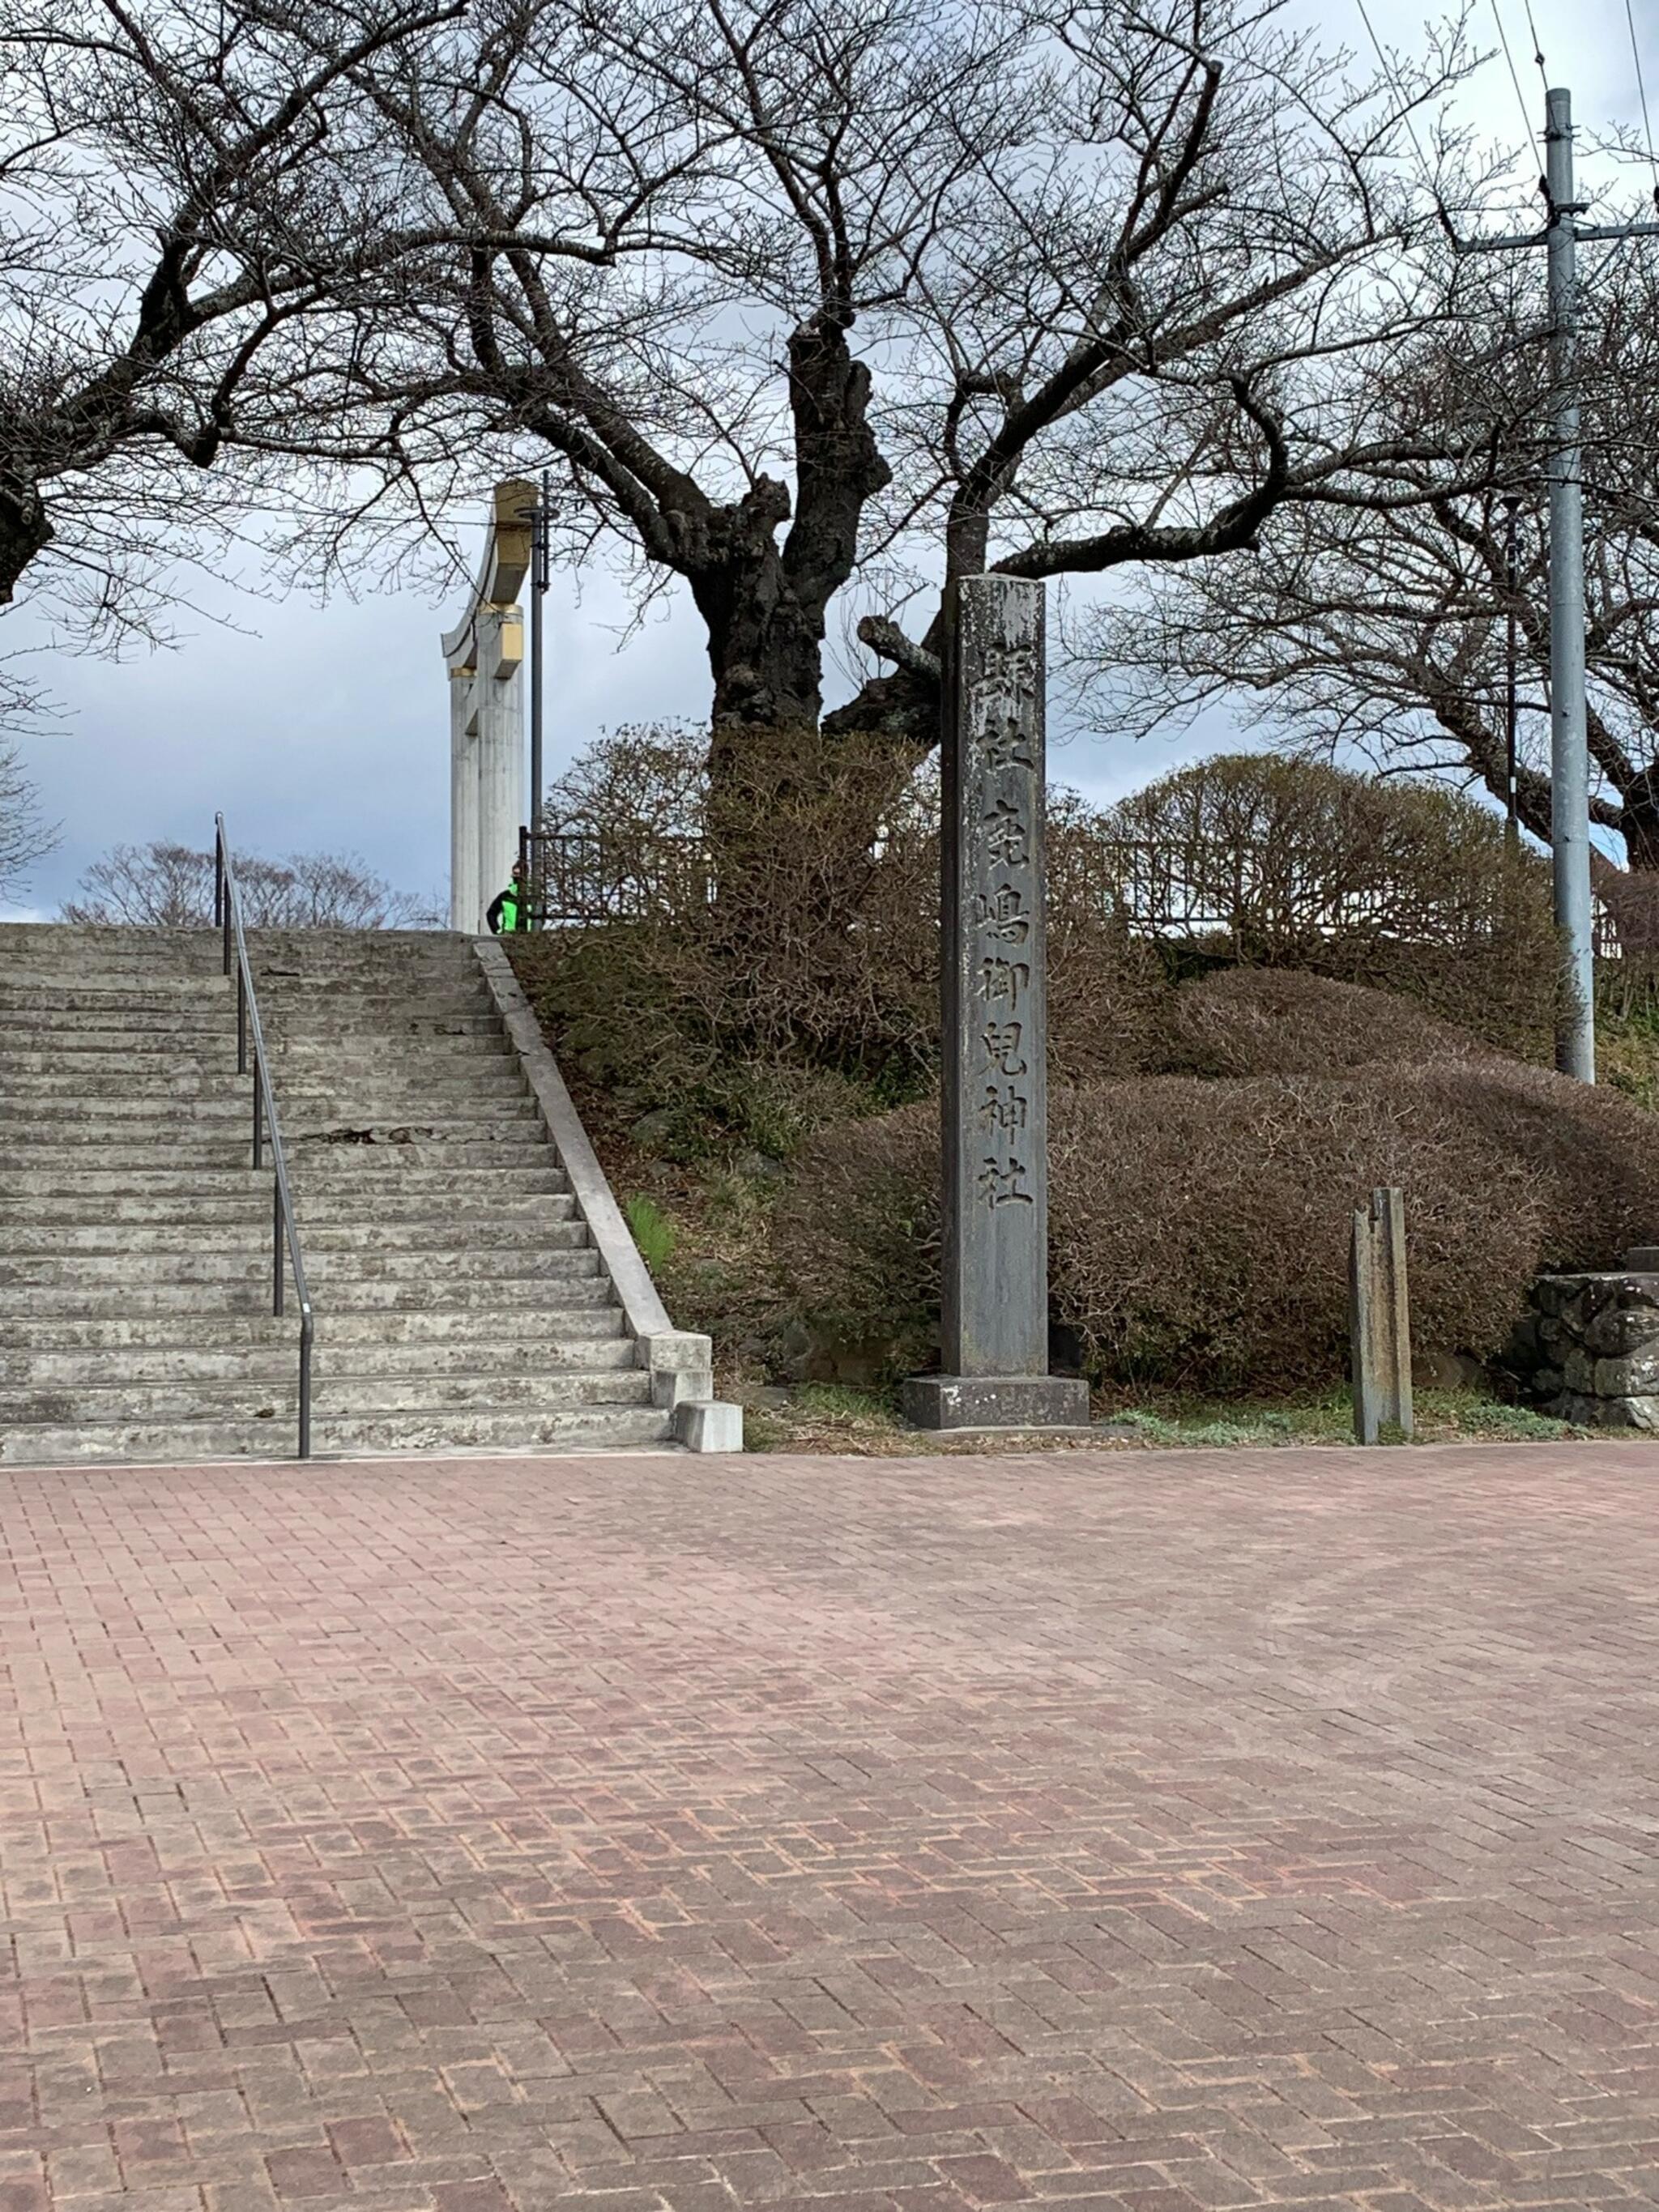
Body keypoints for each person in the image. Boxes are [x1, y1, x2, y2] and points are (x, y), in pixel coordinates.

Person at [486, 863, 531, 933]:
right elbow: (491, 914)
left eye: (519, 874)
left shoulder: (531, 897)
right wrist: (497, 931)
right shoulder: (505, 896)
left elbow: (540, 916)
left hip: (529, 937)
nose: (517, 877)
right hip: (508, 936)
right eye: (515, 873)